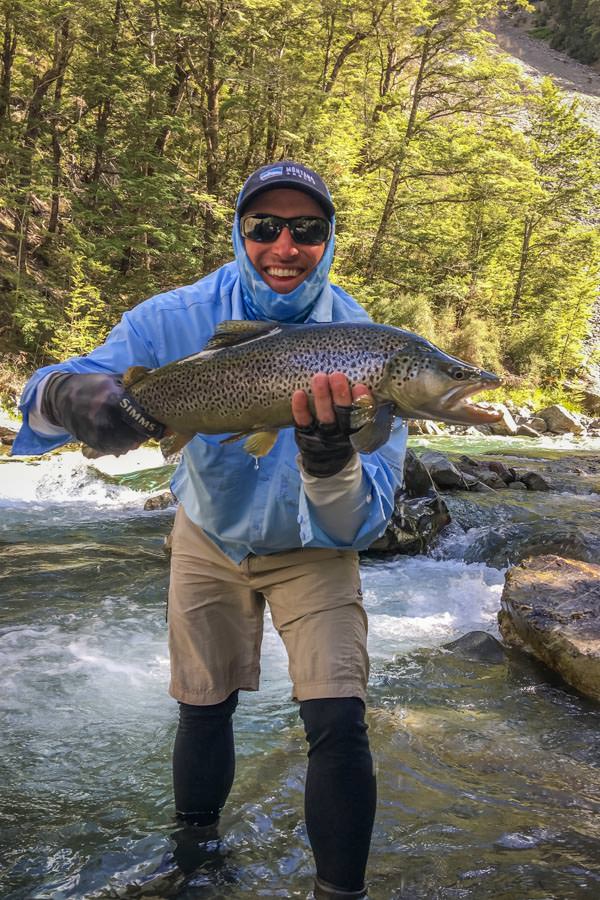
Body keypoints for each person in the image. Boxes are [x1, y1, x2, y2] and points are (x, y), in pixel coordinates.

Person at [12, 161, 408, 899]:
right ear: (239, 230)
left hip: (314, 543)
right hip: (209, 530)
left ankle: (339, 892)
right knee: (203, 704)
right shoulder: (173, 319)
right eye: (264, 228)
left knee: (338, 715)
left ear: (328, 239)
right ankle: (194, 864)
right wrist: (69, 397)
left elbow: (362, 520)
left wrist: (328, 460)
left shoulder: (370, 346)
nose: (284, 247)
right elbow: (39, 392)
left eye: (306, 230)